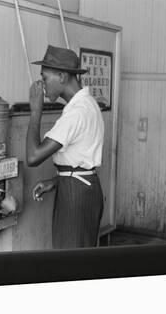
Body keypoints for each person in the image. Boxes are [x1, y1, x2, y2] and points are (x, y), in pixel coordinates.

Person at [26, 45, 104, 249]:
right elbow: (80, 161)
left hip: (76, 195)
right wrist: (56, 181)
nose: (42, 86)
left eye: (44, 78)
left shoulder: (77, 112)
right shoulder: (87, 104)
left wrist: (35, 111)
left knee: (69, 259)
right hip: (79, 187)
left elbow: (33, 157)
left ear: (61, 76)